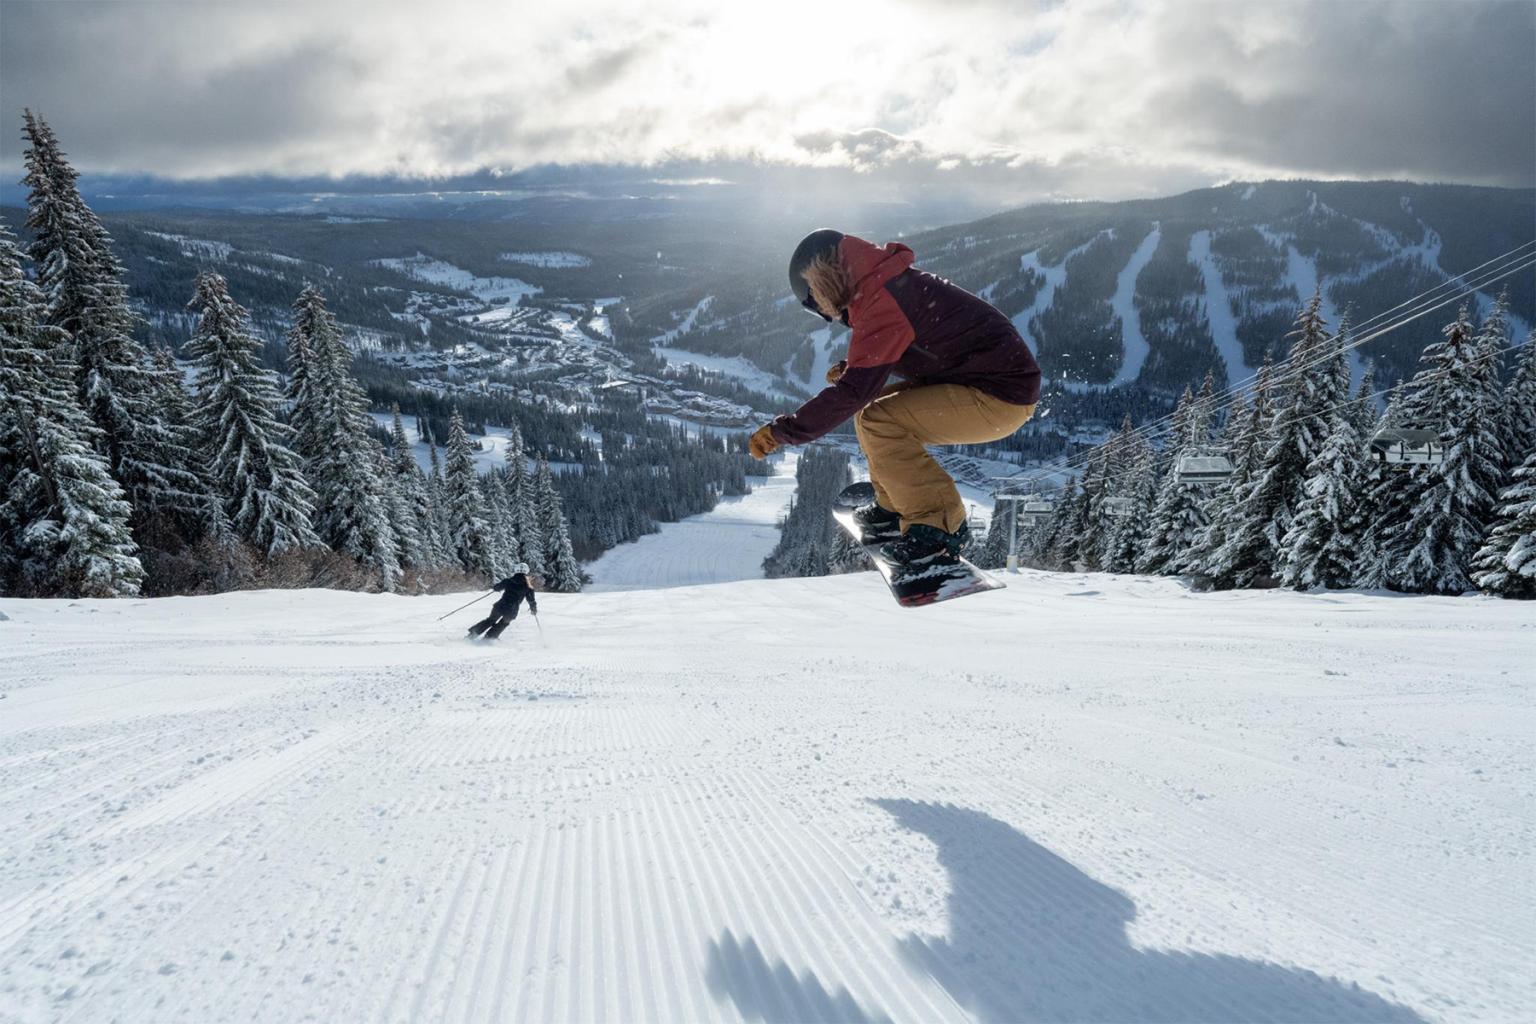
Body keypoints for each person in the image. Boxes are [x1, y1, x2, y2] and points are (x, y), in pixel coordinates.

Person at [750, 229, 1041, 565]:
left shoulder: (880, 302)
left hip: (1000, 397)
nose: (825, 315)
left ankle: (939, 528)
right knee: (871, 413)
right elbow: (918, 346)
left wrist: (783, 431)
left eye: (814, 302)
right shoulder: (883, 285)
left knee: (879, 420)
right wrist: (857, 368)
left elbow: (853, 392)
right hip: (979, 381)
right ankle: (894, 506)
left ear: (823, 284)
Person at [467, 564, 538, 640]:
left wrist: (496, 588)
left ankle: (473, 634)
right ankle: (489, 637)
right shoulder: (528, 587)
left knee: (490, 620)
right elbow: (531, 600)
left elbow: (497, 587)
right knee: (503, 623)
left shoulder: (508, 581)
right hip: (512, 609)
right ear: (527, 571)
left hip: (500, 606)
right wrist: (533, 609)